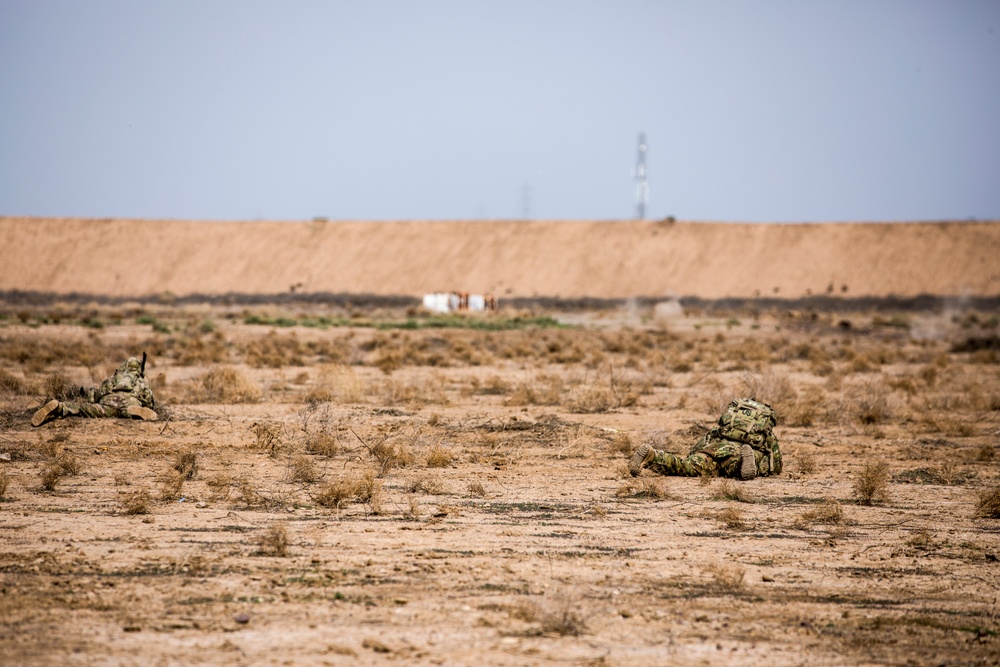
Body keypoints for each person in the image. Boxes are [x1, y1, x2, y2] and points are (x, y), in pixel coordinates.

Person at [630, 397, 782, 480]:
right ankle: (746, 462)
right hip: (736, 454)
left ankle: (652, 455)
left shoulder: (725, 427)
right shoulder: (766, 436)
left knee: (685, 467)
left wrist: (693, 456)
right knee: (745, 466)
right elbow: (775, 466)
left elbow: (704, 440)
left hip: (714, 450)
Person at [32, 355, 157, 427]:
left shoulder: (112, 379)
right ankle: (132, 411)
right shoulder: (140, 381)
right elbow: (148, 398)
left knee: (83, 409)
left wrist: (92, 398)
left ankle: (60, 407)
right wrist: (149, 405)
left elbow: (95, 396)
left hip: (109, 402)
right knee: (126, 410)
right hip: (130, 401)